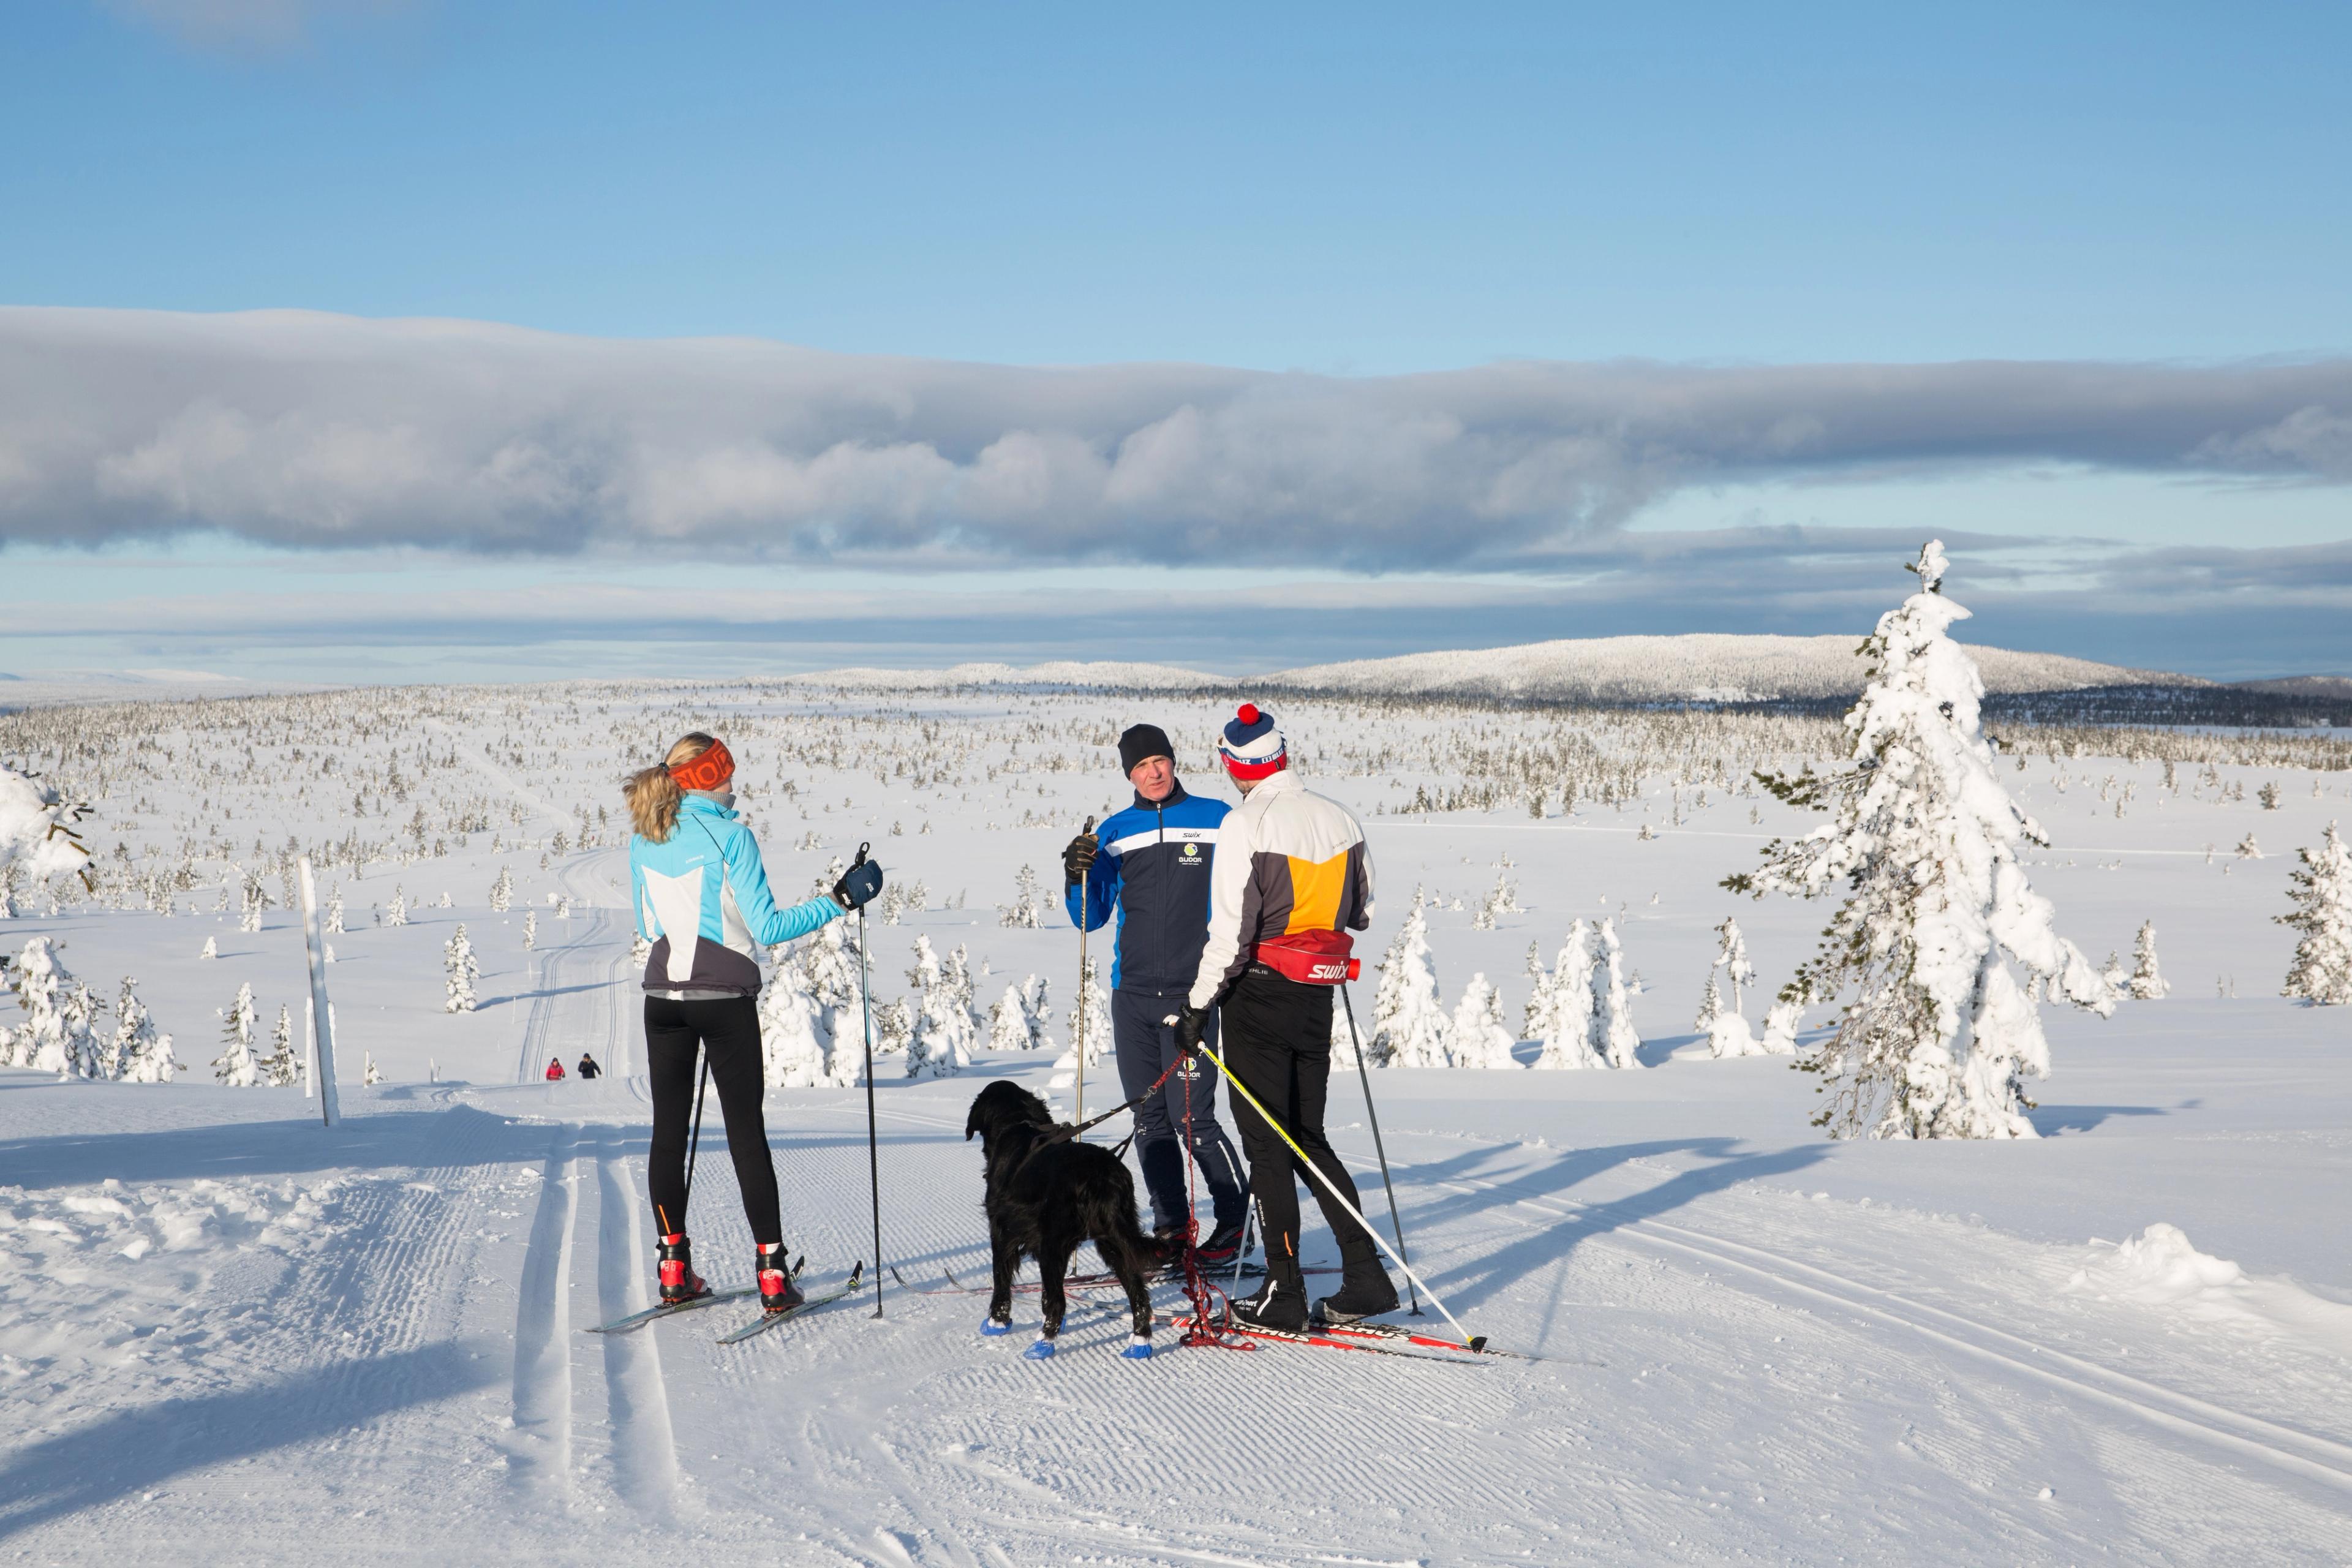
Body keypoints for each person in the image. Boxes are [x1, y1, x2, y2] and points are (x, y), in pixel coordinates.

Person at [627, 732, 883, 1313]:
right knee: (746, 1133)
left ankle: (673, 1269)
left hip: (663, 998)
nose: (734, 782)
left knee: (668, 1133)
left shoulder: (646, 837)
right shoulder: (732, 836)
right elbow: (766, 929)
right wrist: (840, 900)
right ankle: (772, 1272)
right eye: (726, 772)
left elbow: (647, 924)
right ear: (705, 776)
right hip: (723, 1000)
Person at [1175, 704, 1394, 1333]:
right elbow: (1363, 912)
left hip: (1259, 996)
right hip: (1316, 996)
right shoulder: (1340, 816)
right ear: (1282, 752)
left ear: (1233, 763)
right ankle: (1365, 1277)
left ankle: (1286, 1292)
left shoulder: (1248, 823)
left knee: (1268, 1145)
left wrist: (1196, 1006)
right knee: (1309, 1138)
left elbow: (1230, 935)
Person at [1062, 723, 1249, 1262]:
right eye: (1141, 766)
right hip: (1133, 996)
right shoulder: (1115, 833)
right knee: (1148, 1118)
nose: (1153, 772)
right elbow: (1089, 918)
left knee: (1195, 1119)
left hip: (1194, 997)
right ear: (1129, 774)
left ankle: (1237, 1226)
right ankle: (1172, 1229)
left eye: (1160, 761)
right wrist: (1077, 874)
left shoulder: (1217, 818)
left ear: (1173, 761)